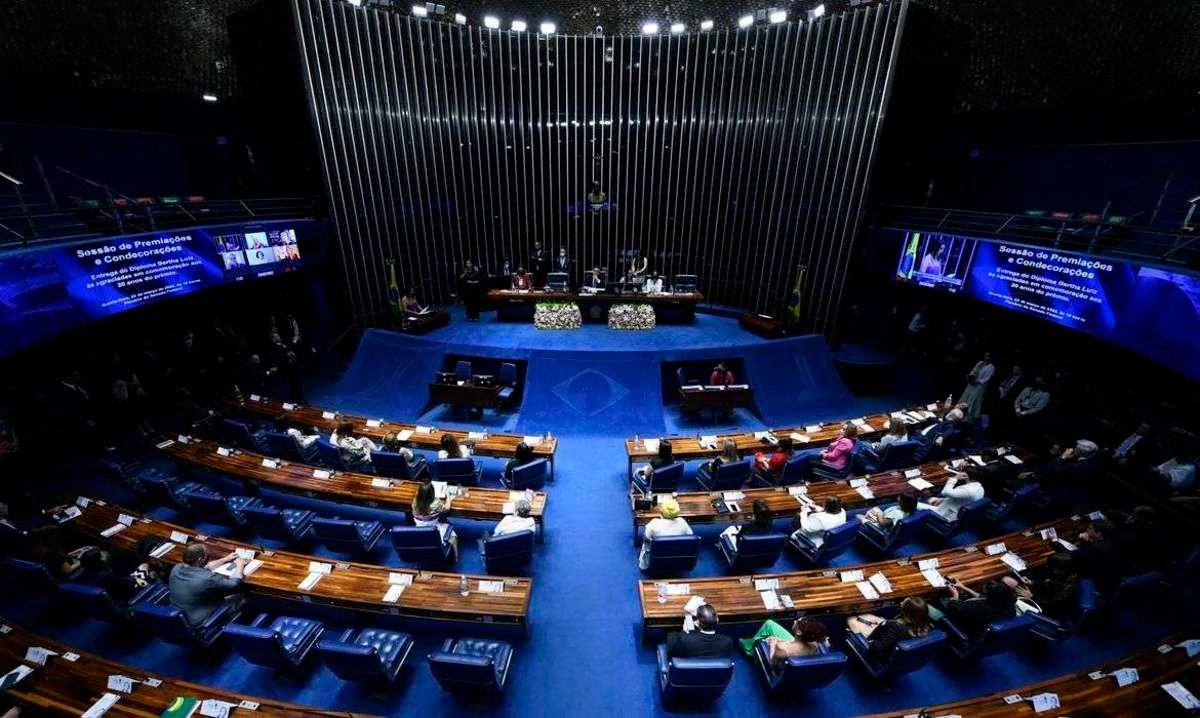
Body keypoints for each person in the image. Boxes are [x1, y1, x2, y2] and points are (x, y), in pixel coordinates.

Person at [169, 544, 246, 627]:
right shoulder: (207, 578)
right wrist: (240, 565)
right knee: (243, 595)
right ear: (200, 560)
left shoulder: (176, 568)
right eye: (206, 556)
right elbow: (234, 584)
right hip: (200, 622)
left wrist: (225, 559)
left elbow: (207, 567)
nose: (207, 558)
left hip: (179, 617)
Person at [847, 597, 932, 661]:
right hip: (890, 642)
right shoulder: (923, 626)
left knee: (851, 619)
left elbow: (877, 648)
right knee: (870, 617)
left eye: (903, 603)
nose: (901, 603)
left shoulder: (896, 628)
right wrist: (883, 624)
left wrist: (873, 637)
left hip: (876, 647)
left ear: (908, 613)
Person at [936, 579, 1017, 638]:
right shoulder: (1009, 606)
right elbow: (982, 597)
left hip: (968, 629)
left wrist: (955, 596)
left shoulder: (980, 609)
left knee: (942, 599)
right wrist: (963, 587)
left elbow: (955, 608)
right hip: (980, 626)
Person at [738, 617, 830, 662]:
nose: (795, 621)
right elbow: (796, 644)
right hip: (796, 646)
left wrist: (773, 644)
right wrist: (782, 640)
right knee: (769, 624)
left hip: (784, 653)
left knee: (769, 627)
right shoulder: (815, 643)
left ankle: (749, 649)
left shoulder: (781, 648)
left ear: (799, 632)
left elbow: (772, 663)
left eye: (797, 622)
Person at [639, 498, 693, 570]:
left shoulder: (654, 523)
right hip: (676, 557)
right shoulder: (682, 522)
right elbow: (690, 536)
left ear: (662, 511)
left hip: (656, 558)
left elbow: (646, 538)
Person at [665, 604, 734, 659]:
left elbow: (671, 648)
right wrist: (692, 633)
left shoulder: (685, 640)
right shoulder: (728, 641)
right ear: (717, 620)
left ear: (697, 623)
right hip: (716, 672)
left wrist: (684, 632)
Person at [411, 481, 458, 558]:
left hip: (419, 529)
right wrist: (448, 497)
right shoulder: (436, 503)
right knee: (454, 537)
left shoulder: (414, 502)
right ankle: (456, 558)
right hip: (434, 529)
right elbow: (447, 508)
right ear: (432, 493)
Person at [861, 490, 932, 530]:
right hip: (887, 519)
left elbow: (883, 523)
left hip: (881, 529)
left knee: (858, 516)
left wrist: (879, 514)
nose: (898, 498)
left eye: (899, 497)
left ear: (903, 501)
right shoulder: (912, 508)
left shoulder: (896, 513)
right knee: (874, 509)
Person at [958, 352, 995, 420]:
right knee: (965, 397)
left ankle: (967, 418)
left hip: (979, 386)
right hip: (971, 383)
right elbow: (973, 370)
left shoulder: (992, 367)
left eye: (988, 356)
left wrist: (977, 381)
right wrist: (970, 376)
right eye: (986, 355)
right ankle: (958, 413)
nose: (986, 357)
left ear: (991, 357)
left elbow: (987, 378)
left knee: (972, 401)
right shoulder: (980, 363)